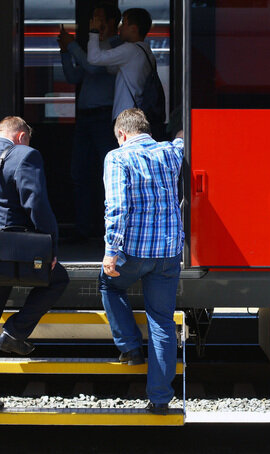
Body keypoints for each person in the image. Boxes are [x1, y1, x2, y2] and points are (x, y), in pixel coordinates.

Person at [0, 116, 70, 419]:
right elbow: (37, 204)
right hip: (10, 255)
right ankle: (14, 332)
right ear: (21, 137)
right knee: (58, 279)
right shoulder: (24, 155)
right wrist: (51, 248)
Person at [98, 108, 185, 415]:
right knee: (161, 321)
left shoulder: (117, 157)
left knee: (109, 286)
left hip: (134, 252)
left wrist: (111, 250)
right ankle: (160, 400)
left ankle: (130, 348)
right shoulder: (170, 153)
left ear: (122, 134)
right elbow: (181, 141)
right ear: (145, 129)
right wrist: (179, 133)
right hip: (169, 252)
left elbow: (118, 207)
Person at [57, 4, 122, 241]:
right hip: (85, 118)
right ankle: (83, 228)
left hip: (104, 117)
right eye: (93, 20)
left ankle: (108, 229)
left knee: (107, 174)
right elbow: (74, 76)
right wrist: (65, 51)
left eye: (100, 19)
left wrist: (72, 46)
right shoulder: (92, 48)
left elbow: (92, 67)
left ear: (114, 22)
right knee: (80, 173)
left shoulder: (117, 46)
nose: (96, 25)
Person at [86, 8, 153, 122]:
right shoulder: (145, 51)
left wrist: (94, 32)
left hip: (126, 116)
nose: (120, 27)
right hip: (135, 114)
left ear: (133, 29)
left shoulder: (130, 49)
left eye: (124, 23)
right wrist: (105, 38)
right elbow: (112, 69)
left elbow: (93, 58)